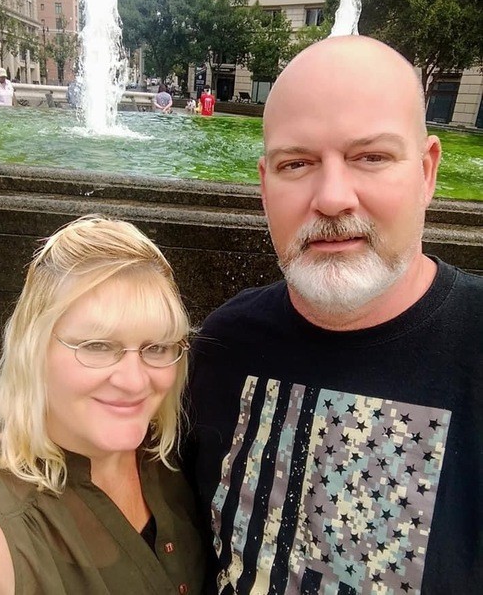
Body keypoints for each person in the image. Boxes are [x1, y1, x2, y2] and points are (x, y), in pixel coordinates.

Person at [186, 36, 482, 594]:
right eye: (297, 163)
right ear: (264, 185)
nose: (332, 197)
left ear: (427, 172)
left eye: (371, 157)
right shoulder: (225, 344)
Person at [0, 215, 205, 594]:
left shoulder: (172, 456)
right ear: (33, 348)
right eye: (98, 346)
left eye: (156, 347)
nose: (134, 381)